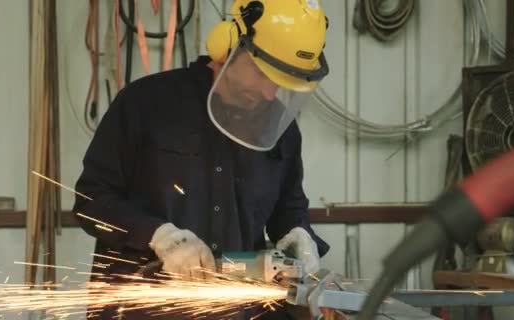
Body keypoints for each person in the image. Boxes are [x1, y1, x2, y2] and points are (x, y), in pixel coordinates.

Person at [72, 0, 331, 318]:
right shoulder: (145, 104)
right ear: (228, 46)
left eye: (281, 84)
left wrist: (298, 233)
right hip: (145, 309)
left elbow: (288, 208)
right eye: (263, 74)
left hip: (237, 309)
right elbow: (92, 201)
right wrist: (159, 236)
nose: (268, 93)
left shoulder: (280, 128)